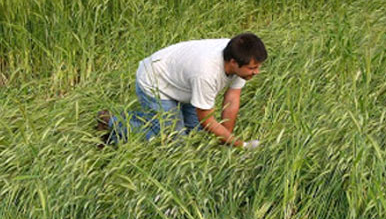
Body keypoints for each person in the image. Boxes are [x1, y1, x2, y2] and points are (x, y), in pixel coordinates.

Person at [97, 33, 267, 149]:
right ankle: (111, 121)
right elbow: (206, 119)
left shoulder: (239, 54)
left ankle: (149, 120)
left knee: (197, 135)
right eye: (253, 68)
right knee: (174, 143)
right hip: (156, 81)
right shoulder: (206, 73)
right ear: (233, 62)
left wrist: (227, 142)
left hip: (184, 84)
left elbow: (231, 99)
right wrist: (241, 146)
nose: (256, 72)